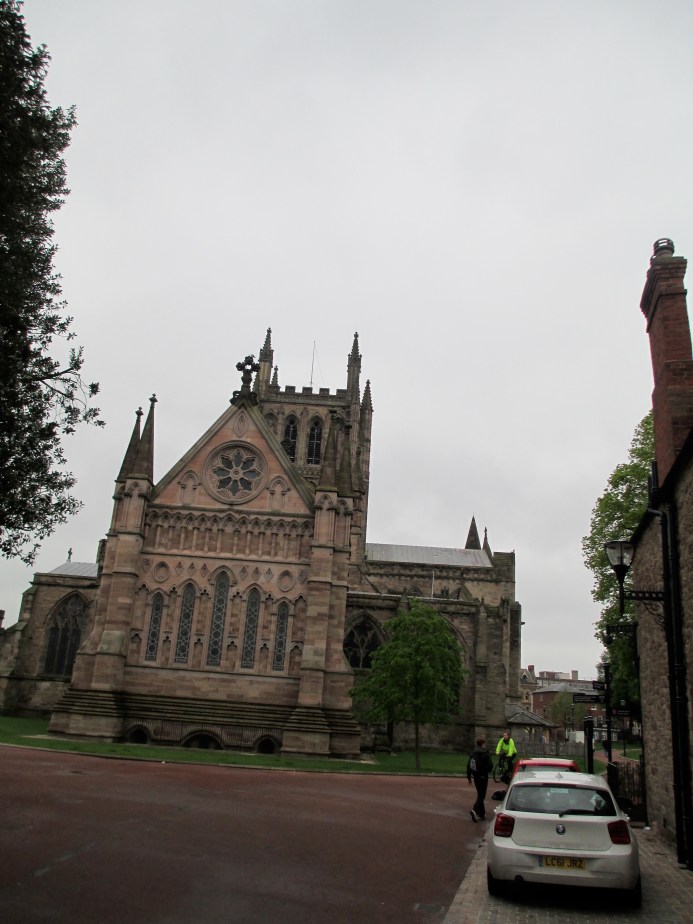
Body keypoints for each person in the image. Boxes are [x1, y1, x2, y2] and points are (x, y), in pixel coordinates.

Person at [467, 736, 494, 821]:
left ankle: (481, 813)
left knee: (480, 794)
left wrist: (469, 777)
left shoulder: (473, 753)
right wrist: (486, 771)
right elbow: (490, 765)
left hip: (475, 776)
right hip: (483, 776)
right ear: (483, 744)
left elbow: (468, 765)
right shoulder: (486, 753)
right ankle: (474, 810)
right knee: (482, 795)